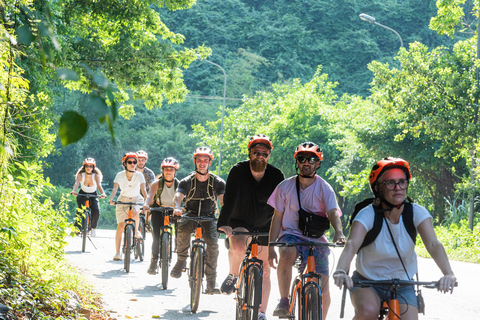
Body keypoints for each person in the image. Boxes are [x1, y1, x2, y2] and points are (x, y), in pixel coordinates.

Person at [332, 157, 457, 320]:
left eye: (402, 182)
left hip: (403, 284)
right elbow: (352, 244)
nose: (398, 188)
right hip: (367, 281)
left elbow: (433, 244)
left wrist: (448, 274)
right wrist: (341, 271)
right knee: (368, 311)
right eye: (390, 183)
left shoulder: (416, 213)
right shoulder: (367, 214)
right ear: (378, 188)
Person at [267, 142, 346, 319]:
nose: (306, 163)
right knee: (286, 253)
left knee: (324, 291)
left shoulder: (325, 188)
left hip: (316, 239)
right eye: (302, 159)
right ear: (297, 162)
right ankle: (284, 301)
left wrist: (339, 233)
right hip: (291, 235)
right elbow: (277, 218)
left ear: (318, 163)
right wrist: (271, 247)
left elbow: (333, 212)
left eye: (311, 159)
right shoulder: (284, 187)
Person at [217, 134, 284, 320]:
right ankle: (233, 275)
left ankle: (261, 312)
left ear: (269, 155)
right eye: (256, 153)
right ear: (250, 153)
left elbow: (282, 206)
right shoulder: (237, 171)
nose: (260, 156)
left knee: (265, 269)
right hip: (240, 221)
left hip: (265, 224)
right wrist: (223, 223)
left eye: (264, 153)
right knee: (238, 246)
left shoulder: (277, 175)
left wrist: (284, 229)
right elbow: (228, 199)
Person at [170, 146, 225, 294]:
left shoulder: (218, 182)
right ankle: (181, 260)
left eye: (205, 160)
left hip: (209, 217)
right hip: (190, 215)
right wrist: (177, 207)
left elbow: (222, 201)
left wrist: (226, 215)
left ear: (209, 163)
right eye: (199, 160)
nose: (202, 163)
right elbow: (178, 197)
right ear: (195, 162)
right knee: (182, 230)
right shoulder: (186, 181)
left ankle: (211, 283)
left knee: (213, 246)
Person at [143, 157, 180, 275]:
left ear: (175, 171)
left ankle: (178, 247)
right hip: (158, 209)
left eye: (171, 169)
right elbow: (150, 197)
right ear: (162, 171)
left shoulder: (179, 184)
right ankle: (154, 261)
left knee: (181, 230)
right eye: (166, 169)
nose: (168, 171)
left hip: (173, 210)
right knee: (156, 237)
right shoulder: (156, 184)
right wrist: (146, 205)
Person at [109, 152, 148, 261]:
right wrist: (111, 199)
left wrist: (147, 202)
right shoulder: (119, 175)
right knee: (121, 226)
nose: (132, 164)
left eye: (134, 162)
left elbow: (144, 190)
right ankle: (117, 252)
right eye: (130, 162)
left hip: (136, 198)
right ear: (125, 163)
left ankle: (136, 230)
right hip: (123, 199)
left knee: (136, 212)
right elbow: (115, 189)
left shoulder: (139, 175)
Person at [71, 158, 107, 236]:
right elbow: (76, 183)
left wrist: (103, 193)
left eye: (91, 166)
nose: (89, 168)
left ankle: (93, 228)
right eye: (87, 166)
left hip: (93, 194)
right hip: (82, 193)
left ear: (93, 167)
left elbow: (99, 185)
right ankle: (77, 228)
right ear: (84, 167)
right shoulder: (81, 175)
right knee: (80, 210)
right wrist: (74, 191)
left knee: (96, 210)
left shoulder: (96, 175)